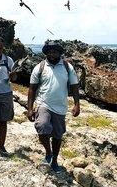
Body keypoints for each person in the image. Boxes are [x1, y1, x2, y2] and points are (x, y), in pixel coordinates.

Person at [26, 40, 80, 172]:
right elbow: (32, 88)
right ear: (46, 52)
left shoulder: (68, 67)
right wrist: (29, 108)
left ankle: (54, 160)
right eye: (49, 50)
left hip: (61, 107)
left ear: (59, 52)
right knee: (42, 126)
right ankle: (48, 152)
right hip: (43, 104)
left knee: (57, 136)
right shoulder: (40, 67)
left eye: (55, 50)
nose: (52, 53)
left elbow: (74, 86)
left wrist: (77, 104)